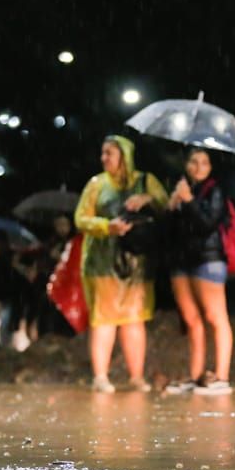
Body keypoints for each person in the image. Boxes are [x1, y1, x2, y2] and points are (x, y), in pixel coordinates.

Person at [74, 135, 167, 393]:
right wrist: (107, 227)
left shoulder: (145, 181)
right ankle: (100, 376)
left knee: (134, 319)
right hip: (103, 263)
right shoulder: (97, 184)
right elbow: (81, 219)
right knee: (103, 319)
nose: (104, 159)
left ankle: (136, 376)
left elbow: (166, 205)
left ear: (124, 156)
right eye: (103, 153)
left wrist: (147, 199)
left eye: (109, 154)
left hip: (136, 263)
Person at [164, 148, 234, 396]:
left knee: (216, 317)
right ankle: (195, 376)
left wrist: (189, 201)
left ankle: (222, 377)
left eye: (205, 162)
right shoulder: (182, 188)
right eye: (194, 161)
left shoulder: (215, 189)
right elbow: (170, 231)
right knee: (192, 320)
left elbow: (207, 224)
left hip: (208, 259)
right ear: (186, 164)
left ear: (211, 166)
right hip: (182, 261)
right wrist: (172, 206)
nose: (199, 166)